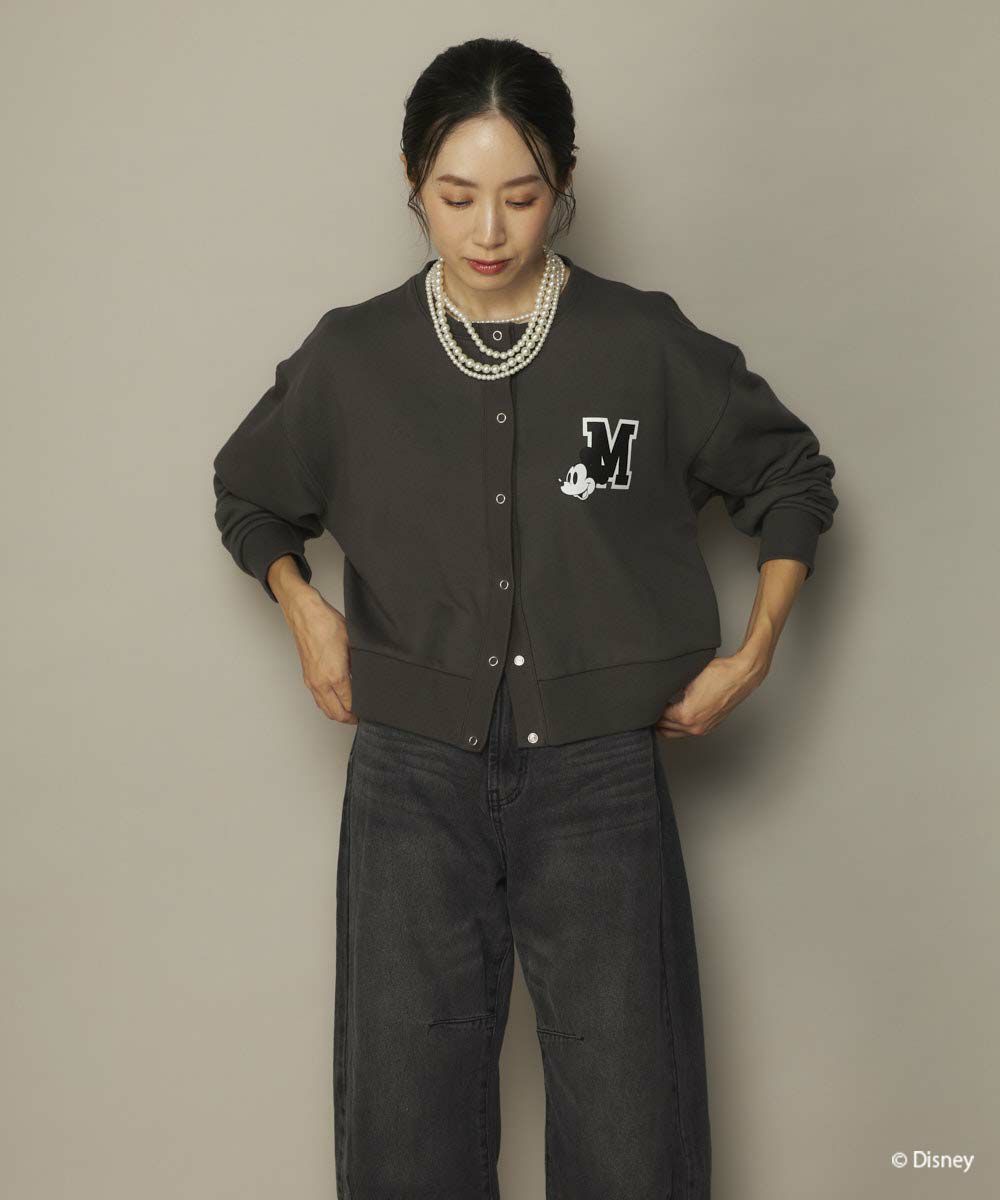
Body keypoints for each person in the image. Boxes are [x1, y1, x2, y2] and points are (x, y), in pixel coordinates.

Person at [211, 36, 839, 1200]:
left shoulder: (638, 341)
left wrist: (753, 653)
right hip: (410, 779)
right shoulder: (355, 356)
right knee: (404, 1135)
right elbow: (249, 496)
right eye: (456, 197)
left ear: (564, 187)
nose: (489, 230)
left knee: (633, 1130)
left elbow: (790, 476)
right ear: (413, 185)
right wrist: (304, 610)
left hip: (600, 776)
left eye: (521, 195)